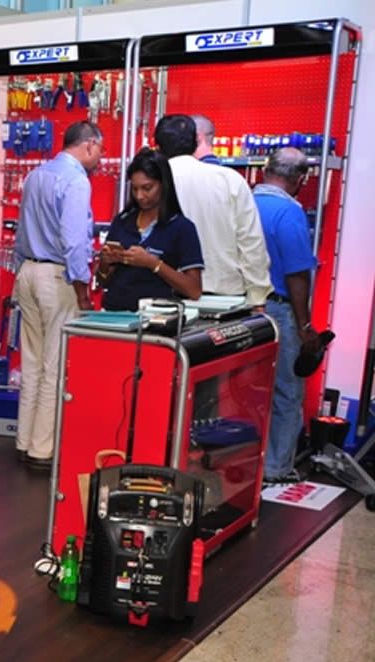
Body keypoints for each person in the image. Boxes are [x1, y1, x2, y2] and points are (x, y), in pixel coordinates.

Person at [13, 121, 101, 468]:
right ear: (90, 145)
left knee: (32, 362)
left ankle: (24, 440)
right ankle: (43, 450)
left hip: (28, 271)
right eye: (101, 151)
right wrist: (82, 287)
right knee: (55, 365)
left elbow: (22, 228)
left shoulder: (36, 175)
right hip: (56, 276)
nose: (100, 159)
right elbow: (75, 239)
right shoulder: (77, 180)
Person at [155, 114, 271, 307]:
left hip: (166, 297)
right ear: (196, 140)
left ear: (157, 146)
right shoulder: (230, 180)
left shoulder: (152, 183)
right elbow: (251, 244)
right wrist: (258, 297)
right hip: (226, 299)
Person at [255, 147, 321, 483]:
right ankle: (276, 469)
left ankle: (243, 464)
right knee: (286, 392)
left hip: (244, 309)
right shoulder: (289, 212)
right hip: (279, 310)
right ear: (299, 179)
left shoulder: (244, 203)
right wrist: (304, 324)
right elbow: (297, 273)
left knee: (245, 392)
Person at [98, 148, 204, 311]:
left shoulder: (181, 228)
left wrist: (152, 263)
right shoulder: (122, 221)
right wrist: (105, 263)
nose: (140, 196)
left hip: (155, 319)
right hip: (115, 314)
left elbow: (194, 290)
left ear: (163, 185)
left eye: (147, 188)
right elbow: (103, 281)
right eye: (134, 189)